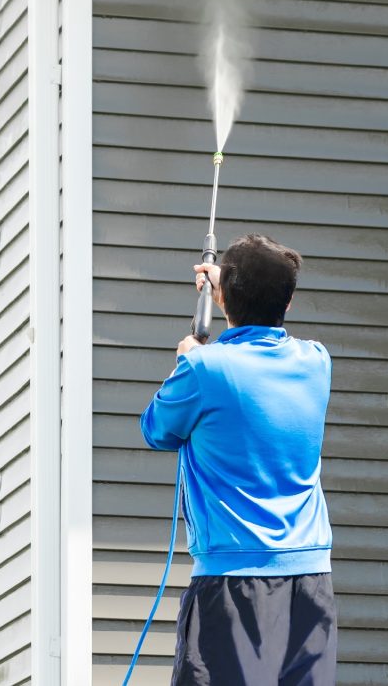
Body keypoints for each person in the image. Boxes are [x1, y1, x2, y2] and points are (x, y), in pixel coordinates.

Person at [140, 233, 336, 686]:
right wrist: (228, 285)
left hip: (232, 582)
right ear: (287, 304)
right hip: (310, 581)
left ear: (224, 295)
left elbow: (156, 430)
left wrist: (187, 359)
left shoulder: (203, 369)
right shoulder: (317, 362)